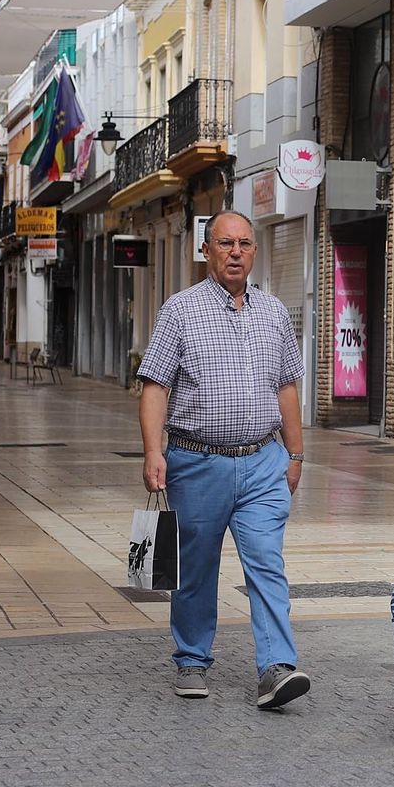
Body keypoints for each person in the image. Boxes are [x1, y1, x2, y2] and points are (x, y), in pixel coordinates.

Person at [137, 210, 312, 710]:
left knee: (267, 565)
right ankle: (192, 659)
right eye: (225, 243)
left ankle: (276, 666)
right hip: (196, 463)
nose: (236, 252)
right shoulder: (180, 310)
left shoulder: (274, 312)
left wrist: (296, 454)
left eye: (244, 244)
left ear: (254, 251)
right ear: (207, 250)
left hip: (263, 462)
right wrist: (154, 452)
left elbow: (286, 387)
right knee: (196, 568)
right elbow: (154, 386)